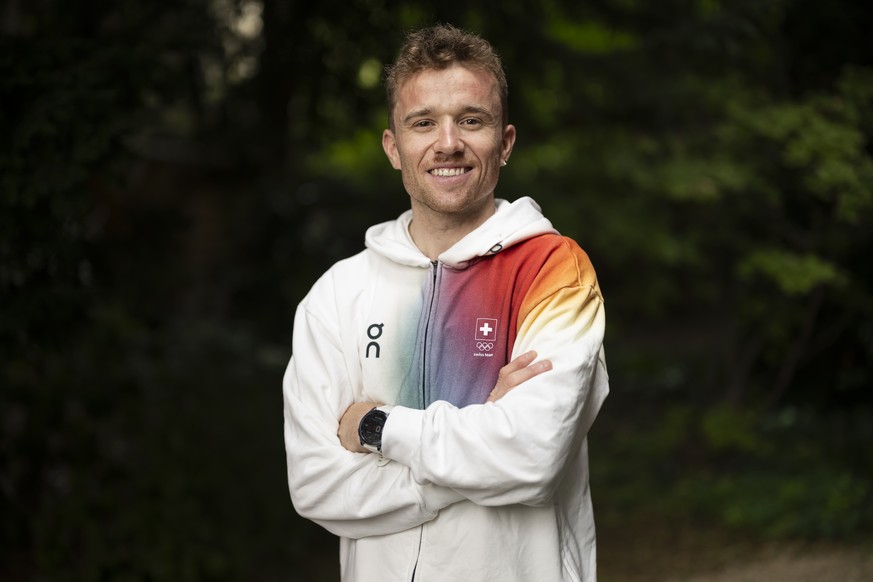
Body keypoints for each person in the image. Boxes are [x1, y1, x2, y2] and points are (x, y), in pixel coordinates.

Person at [283, 24, 609, 582]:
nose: (448, 142)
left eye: (471, 120)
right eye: (423, 122)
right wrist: (481, 444)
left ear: (505, 143)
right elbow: (316, 485)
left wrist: (377, 428)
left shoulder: (554, 270)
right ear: (394, 148)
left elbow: (532, 458)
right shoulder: (337, 293)